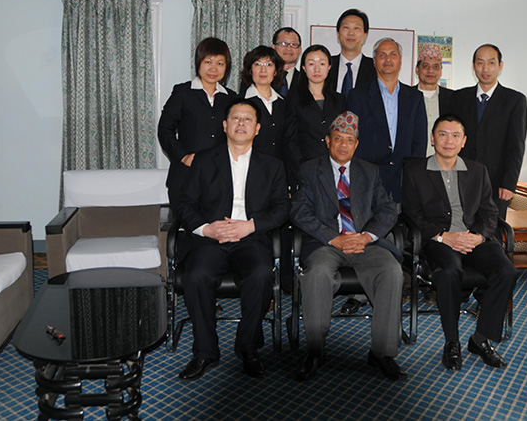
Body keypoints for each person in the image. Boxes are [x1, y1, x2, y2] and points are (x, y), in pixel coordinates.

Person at [176, 98, 290, 380]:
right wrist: (206, 228)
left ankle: (248, 346)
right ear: (225, 125)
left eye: (248, 119)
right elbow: (185, 205)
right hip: (210, 240)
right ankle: (204, 351)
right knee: (196, 275)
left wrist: (249, 226)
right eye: (235, 118)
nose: (241, 123)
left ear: (258, 128)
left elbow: (282, 209)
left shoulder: (273, 165)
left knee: (262, 273)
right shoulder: (203, 160)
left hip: (250, 239)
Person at [290, 111, 405, 382]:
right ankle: (316, 351)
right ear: (327, 141)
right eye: (338, 139)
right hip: (327, 242)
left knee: (391, 271)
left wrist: (367, 236)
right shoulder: (309, 170)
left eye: (349, 140)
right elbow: (299, 211)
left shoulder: (369, 170)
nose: (344, 145)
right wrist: (333, 237)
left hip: (364, 242)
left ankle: (382, 353)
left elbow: (389, 209)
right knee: (317, 274)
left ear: (356, 144)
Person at [401, 114, 517, 371]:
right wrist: (444, 236)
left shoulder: (477, 171)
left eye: (455, 136)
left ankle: (481, 339)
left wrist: (477, 236)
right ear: (433, 139)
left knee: (506, 270)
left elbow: (489, 211)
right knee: (449, 272)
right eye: (442, 134)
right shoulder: (415, 171)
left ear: (464, 141)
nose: (449, 141)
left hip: (473, 239)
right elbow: (411, 215)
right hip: (438, 241)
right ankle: (451, 342)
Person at [158, 37, 237, 216]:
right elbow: (165, 129)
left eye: (219, 63)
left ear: (226, 67)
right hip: (186, 176)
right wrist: (182, 156)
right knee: (188, 232)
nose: (213, 68)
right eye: (208, 62)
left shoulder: (232, 98)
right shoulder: (182, 93)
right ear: (198, 62)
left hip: (220, 178)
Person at [449, 44, 527, 219]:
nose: (485, 69)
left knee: (492, 237)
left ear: (500, 66)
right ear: (473, 66)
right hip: (461, 180)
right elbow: (451, 140)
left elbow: (516, 146)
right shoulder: (459, 98)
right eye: (480, 63)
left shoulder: (515, 101)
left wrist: (509, 184)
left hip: (496, 184)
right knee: (460, 233)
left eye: (491, 63)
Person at [347, 37, 427, 203]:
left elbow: (419, 141)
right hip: (369, 181)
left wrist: (414, 176)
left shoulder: (415, 98)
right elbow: (353, 139)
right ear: (375, 62)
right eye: (382, 55)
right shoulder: (358, 96)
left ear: (400, 61)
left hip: (404, 181)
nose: (388, 59)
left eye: (393, 54)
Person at [286, 44, 347, 183]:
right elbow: (290, 141)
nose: (317, 69)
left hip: (335, 173)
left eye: (322, 63)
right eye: (311, 64)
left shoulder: (339, 100)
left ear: (329, 67)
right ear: (303, 68)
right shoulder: (294, 99)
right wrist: (302, 169)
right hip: (305, 171)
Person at [240, 45, 294, 165]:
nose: (263, 70)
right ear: (250, 70)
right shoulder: (240, 103)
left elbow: (289, 142)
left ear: (275, 71)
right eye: (258, 64)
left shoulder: (283, 104)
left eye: (269, 65)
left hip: (278, 170)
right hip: (249, 168)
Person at [326, 9, 376, 96]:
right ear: (338, 34)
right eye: (346, 28)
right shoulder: (325, 65)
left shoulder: (376, 68)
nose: (351, 33)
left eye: (356, 28)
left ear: (365, 36)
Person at [415, 44, 453, 157]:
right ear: (417, 70)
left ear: (441, 70)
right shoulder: (406, 97)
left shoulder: (452, 98)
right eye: (425, 66)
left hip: (444, 162)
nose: (430, 70)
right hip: (414, 163)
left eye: (436, 67)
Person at [272, 27, 303, 98]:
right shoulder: (260, 76)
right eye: (283, 43)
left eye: (293, 44)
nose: (288, 48)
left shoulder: (306, 80)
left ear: (299, 50)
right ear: (273, 47)